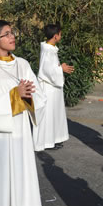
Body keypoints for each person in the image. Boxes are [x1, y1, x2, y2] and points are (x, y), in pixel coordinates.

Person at [0, 20, 46, 206]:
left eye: (12, 33)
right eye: (7, 34)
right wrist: (15, 95)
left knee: (23, 177)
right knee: (2, 180)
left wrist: (29, 96)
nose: (12, 37)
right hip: (0, 139)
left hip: (20, 134)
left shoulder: (22, 64)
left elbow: (39, 95)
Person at [33, 23, 74, 151]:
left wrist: (59, 68)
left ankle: (53, 139)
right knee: (48, 115)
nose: (61, 36)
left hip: (53, 87)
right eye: (60, 34)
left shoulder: (50, 48)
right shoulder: (48, 50)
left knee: (54, 114)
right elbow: (46, 70)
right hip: (49, 88)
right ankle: (46, 142)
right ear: (55, 36)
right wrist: (60, 68)